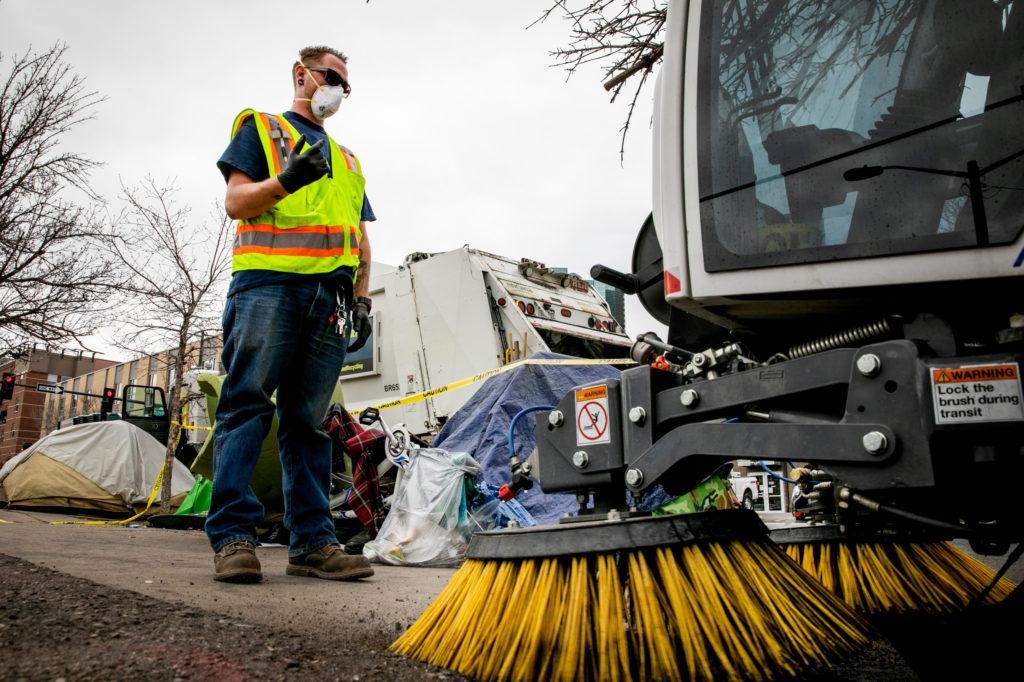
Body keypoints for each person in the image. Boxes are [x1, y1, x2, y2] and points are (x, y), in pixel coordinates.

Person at [206, 45, 376, 583]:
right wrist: (287, 180)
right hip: (268, 289)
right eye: (331, 77)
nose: (338, 91)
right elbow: (237, 203)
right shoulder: (262, 128)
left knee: (308, 424)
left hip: (329, 302)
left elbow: (361, 239)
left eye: (345, 85)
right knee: (246, 406)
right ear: (301, 74)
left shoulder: (349, 160)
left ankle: (311, 543)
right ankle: (233, 536)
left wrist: (363, 297)